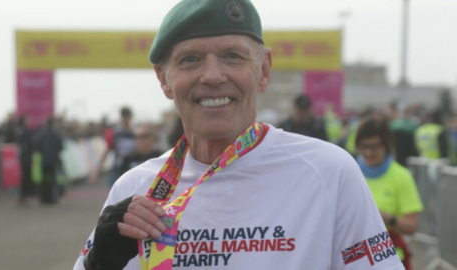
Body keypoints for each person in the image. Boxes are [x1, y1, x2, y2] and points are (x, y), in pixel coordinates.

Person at [74, 1, 404, 269]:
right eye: (190, 60)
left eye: (232, 56)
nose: (213, 76)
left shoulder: (329, 173)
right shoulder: (134, 189)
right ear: (164, 79)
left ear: (264, 70)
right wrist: (97, 265)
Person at [355, 115, 423, 270]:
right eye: (363, 146)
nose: (368, 152)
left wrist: (388, 219)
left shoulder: (401, 176)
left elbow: (412, 226)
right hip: (354, 259)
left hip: (389, 259)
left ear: (386, 145)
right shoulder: (349, 172)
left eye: (374, 146)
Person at [89, 107, 135, 187]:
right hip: (117, 170)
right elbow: (105, 153)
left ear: (130, 117)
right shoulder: (114, 133)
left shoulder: (136, 134)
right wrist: (96, 172)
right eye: (124, 117)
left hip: (133, 170)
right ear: (120, 118)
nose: (125, 120)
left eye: (127, 117)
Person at [34, 116, 63, 204]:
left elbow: (37, 146)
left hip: (44, 160)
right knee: (52, 180)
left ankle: (43, 198)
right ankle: (52, 198)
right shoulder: (56, 134)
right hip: (53, 161)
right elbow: (61, 147)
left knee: (44, 180)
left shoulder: (42, 134)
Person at [16, 116, 36, 205]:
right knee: (25, 177)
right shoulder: (22, 131)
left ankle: (25, 196)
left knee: (27, 176)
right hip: (25, 157)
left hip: (27, 156)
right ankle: (23, 196)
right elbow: (27, 142)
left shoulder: (26, 131)